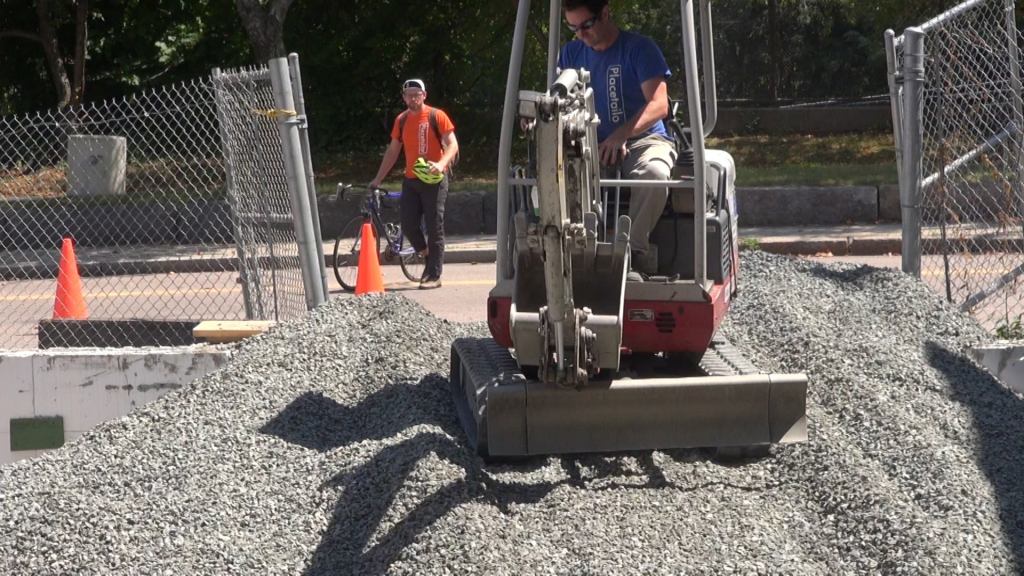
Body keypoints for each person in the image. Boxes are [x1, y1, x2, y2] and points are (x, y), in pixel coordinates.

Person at [559, 0, 676, 276]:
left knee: (655, 174)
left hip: (644, 140)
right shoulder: (571, 53)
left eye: (586, 25)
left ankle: (631, 255)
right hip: (589, 144)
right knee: (556, 177)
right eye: (572, 27)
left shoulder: (640, 49)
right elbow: (560, 100)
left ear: (606, 13)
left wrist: (621, 134)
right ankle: (573, 252)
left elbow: (660, 105)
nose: (580, 35)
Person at [370, 78, 459, 290]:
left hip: (435, 180)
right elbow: (393, 151)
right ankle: (428, 256)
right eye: (408, 94)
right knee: (408, 225)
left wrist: (441, 163)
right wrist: (378, 179)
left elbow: (452, 144)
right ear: (403, 98)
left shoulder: (437, 116)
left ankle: (434, 275)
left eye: (416, 94)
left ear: (424, 95)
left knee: (434, 227)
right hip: (411, 180)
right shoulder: (401, 120)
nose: (412, 98)